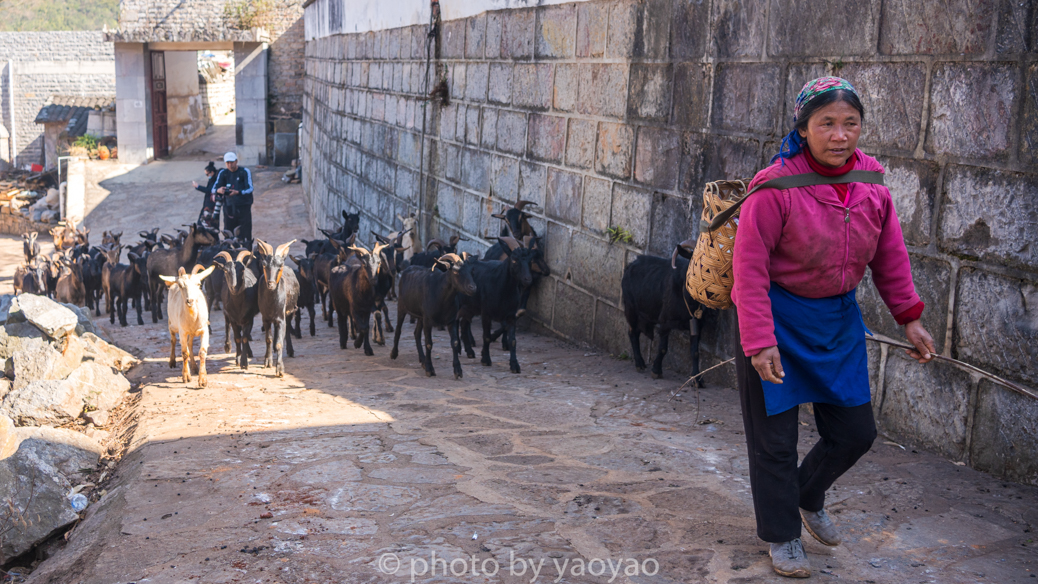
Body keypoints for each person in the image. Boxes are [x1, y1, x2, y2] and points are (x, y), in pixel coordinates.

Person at [731, 77, 936, 578]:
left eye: (850, 124)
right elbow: (749, 270)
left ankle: (805, 492)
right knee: (774, 441)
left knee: (855, 432)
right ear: (803, 130)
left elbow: (890, 255)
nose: (840, 135)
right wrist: (759, 342)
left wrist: (909, 317)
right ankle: (782, 536)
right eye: (826, 124)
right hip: (775, 321)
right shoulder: (773, 187)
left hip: (837, 322)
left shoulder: (872, 182)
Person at [213, 152, 255, 244]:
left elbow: (250, 188)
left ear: (236, 161)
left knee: (245, 232)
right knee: (229, 232)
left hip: (243, 207)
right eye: (227, 163)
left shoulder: (244, 171)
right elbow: (214, 189)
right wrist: (219, 190)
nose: (230, 165)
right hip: (229, 208)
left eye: (232, 162)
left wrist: (238, 192)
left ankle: (246, 251)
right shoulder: (223, 173)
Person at [193, 161, 222, 230]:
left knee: (207, 222)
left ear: (212, 172)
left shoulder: (215, 180)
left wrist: (198, 186)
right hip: (208, 203)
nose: (207, 176)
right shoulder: (212, 179)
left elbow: (209, 190)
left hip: (211, 205)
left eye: (207, 174)